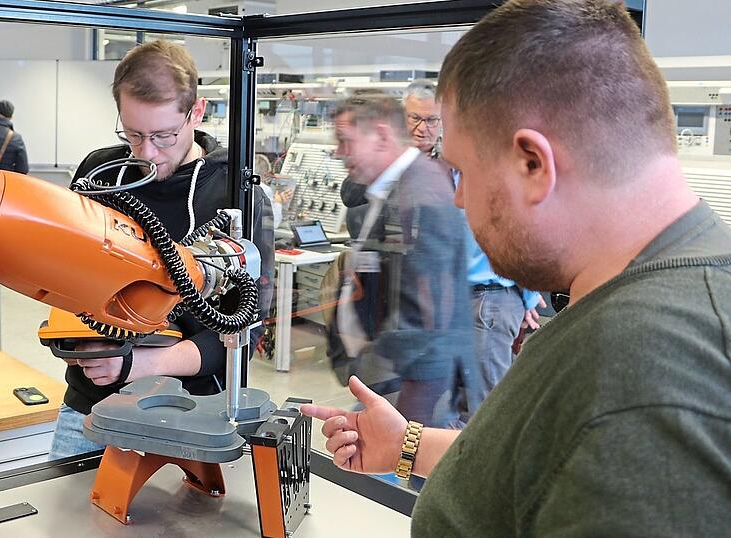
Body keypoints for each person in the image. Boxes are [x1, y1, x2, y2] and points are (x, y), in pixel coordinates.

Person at [302, 0, 731, 535]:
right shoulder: (634, 299)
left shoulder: (646, 362)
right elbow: (545, 459)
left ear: (533, 164)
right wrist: (410, 445)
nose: (459, 201)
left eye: (462, 172)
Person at [48, 40, 273, 459]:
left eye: (164, 135)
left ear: (197, 112)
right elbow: (67, 278)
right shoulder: (99, 174)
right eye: (133, 134)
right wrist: (83, 344)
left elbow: (246, 327)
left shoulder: (234, 193)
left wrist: (140, 364)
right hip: (90, 405)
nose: (147, 152)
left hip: (191, 413)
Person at [330, 93, 474, 428]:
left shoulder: (421, 191)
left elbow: (426, 311)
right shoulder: (392, 185)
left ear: (381, 136)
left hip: (409, 380)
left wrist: (376, 365)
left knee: (406, 456)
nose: (339, 152)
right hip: (390, 373)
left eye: (346, 141)